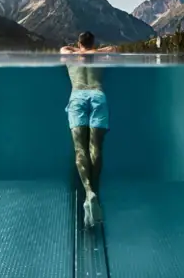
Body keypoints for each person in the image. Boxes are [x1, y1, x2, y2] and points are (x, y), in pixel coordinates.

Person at [60, 31, 115, 228]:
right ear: (94, 42)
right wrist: (93, 51)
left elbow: (63, 49)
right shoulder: (100, 54)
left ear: (78, 42)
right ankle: (96, 195)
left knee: (80, 149)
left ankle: (88, 191)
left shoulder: (68, 52)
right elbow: (113, 50)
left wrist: (80, 51)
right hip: (98, 95)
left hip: (77, 96)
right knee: (96, 148)